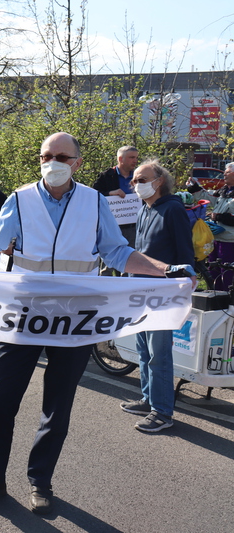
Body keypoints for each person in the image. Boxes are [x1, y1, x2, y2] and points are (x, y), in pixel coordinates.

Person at [0, 132, 195, 515]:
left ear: (77, 163)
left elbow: (118, 252)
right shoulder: (20, 198)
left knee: (57, 406)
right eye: (47, 155)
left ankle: (40, 481)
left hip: (74, 321)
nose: (53, 161)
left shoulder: (94, 202)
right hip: (24, 317)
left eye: (62, 156)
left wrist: (167, 271)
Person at [118, 160, 194, 432]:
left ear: (159, 181)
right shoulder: (144, 209)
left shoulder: (173, 209)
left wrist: (186, 280)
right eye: (134, 180)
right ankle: (149, 399)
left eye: (141, 179)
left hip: (162, 293)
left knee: (158, 354)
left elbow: (185, 251)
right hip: (139, 291)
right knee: (143, 348)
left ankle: (162, 412)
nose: (135, 184)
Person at [186, 162, 234, 290]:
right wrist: (194, 187)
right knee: (213, 271)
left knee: (228, 273)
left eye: (227, 172)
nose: (224, 174)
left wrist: (217, 217)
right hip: (216, 239)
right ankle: (215, 297)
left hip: (230, 241)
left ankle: (228, 300)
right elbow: (206, 196)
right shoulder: (224, 190)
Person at [93, 146, 139, 275]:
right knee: (108, 264)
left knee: (129, 259)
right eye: (131, 157)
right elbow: (93, 194)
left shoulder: (139, 176)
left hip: (132, 226)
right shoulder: (106, 176)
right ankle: (104, 289)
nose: (135, 161)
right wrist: (110, 193)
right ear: (120, 159)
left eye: (136, 157)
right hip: (111, 225)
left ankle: (126, 288)